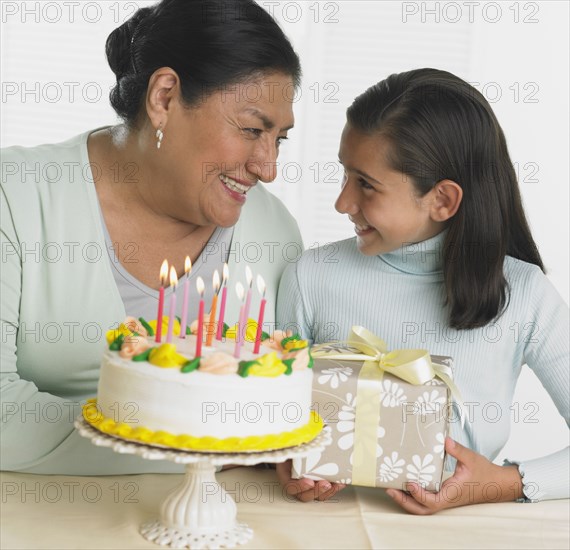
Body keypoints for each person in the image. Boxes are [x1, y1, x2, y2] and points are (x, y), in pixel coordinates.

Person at [1, 0, 303, 474]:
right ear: (164, 97)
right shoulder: (14, 197)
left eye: (279, 138)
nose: (268, 167)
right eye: (250, 129)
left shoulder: (274, 234)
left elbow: (281, 406)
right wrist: (202, 449)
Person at [276, 68, 569, 511]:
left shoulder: (525, 294)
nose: (342, 203)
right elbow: (266, 416)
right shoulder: (312, 275)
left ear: (443, 200)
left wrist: (504, 483)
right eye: (344, 174)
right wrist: (279, 457)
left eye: (366, 184)